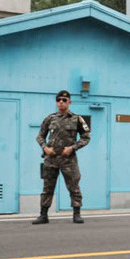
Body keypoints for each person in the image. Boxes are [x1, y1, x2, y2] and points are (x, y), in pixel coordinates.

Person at [32, 90, 90, 224]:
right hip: (51, 159)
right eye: (58, 100)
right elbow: (40, 136)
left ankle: (76, 214)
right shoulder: (50, 118)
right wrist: (45, 148)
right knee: (47, 188)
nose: (61, 102)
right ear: (56, 102)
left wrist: (72, 148)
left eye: (64, 100)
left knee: (74, 187)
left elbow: (86, 137)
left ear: (69, 102)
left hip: (68, 160)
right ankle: (43, 215)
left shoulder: (77, 119)